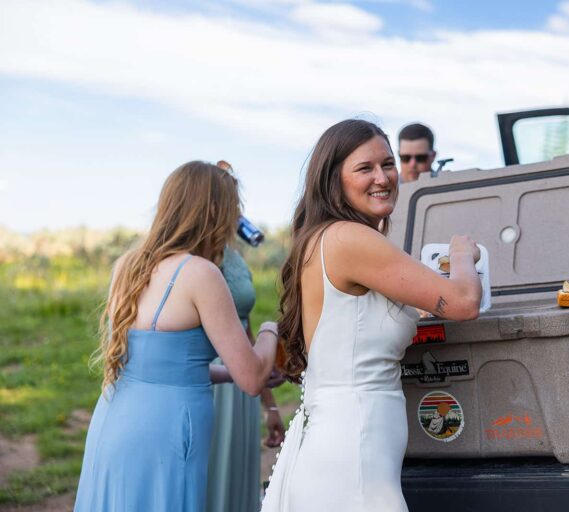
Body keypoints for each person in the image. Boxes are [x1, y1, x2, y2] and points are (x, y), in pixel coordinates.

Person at [262, 119, 481, 512]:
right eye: (365, 168)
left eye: (388, 164)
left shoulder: (327, 238)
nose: (382, 177)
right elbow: (464, 302)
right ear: (334, 181)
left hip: (344, 446)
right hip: (353, 454)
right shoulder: (350, 239)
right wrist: (463, 254)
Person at [74, 161, 279, 512]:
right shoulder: (202, 274)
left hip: (114, 420)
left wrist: (227, 371)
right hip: (166, 432)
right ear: (214, 211)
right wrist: (271, 329)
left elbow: (165, 367)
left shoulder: (127, 264)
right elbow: (252, 377)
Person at [207, 244, 285, 512]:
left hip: (241, 377)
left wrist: (270, 405)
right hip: (211, 376)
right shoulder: (194, 253)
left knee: (238, 475)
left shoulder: (235, 253)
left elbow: (246, 332)